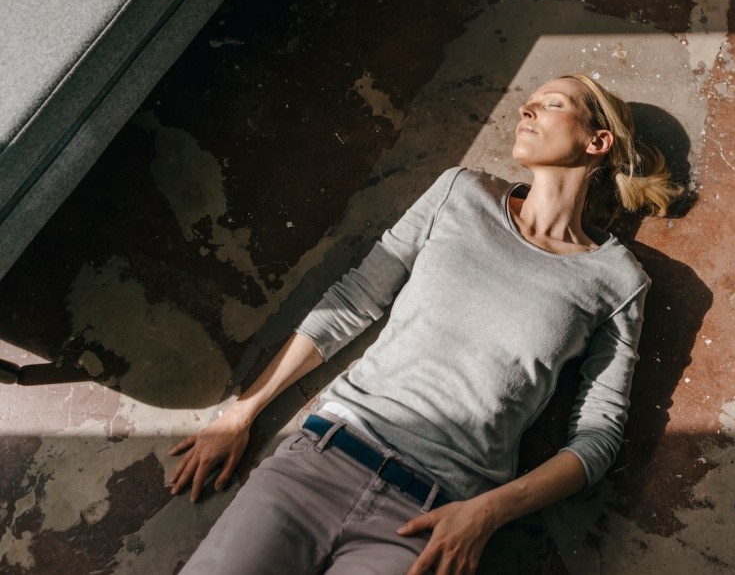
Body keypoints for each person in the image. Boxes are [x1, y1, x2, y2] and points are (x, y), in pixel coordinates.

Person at [169, 74, 683, 574]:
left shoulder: (618, 280)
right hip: (316, 465)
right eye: (528, 102)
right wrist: (244, 412)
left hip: (432, 521)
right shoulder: (459, 192)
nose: (525, 110)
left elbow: (598, 436)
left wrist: (487, 514)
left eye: (551, 103)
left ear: (597, 141)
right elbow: (356, 299)